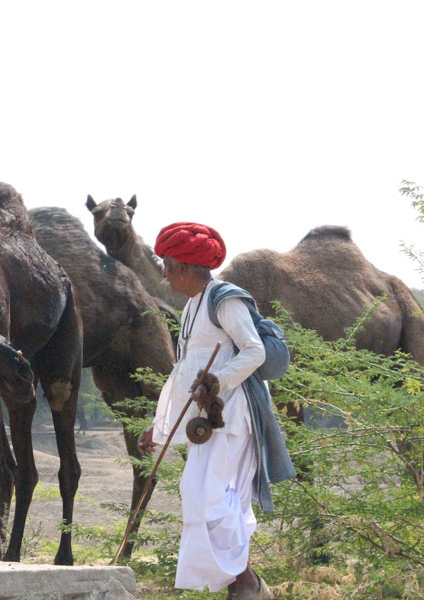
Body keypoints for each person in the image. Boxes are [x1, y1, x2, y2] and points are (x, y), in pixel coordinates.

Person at [138, 222, 294, 599]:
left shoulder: (225, 299)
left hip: (232, 416)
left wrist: (218, 383)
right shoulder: (191, 306)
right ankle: (244, 584)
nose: (164, 273)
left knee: (210, 496)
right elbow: (184, 373)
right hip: (206, 421)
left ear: (187, 267)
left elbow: (254, 351)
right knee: (207, 496)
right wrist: (158, 428)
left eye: (168, 264)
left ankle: (245, 583)